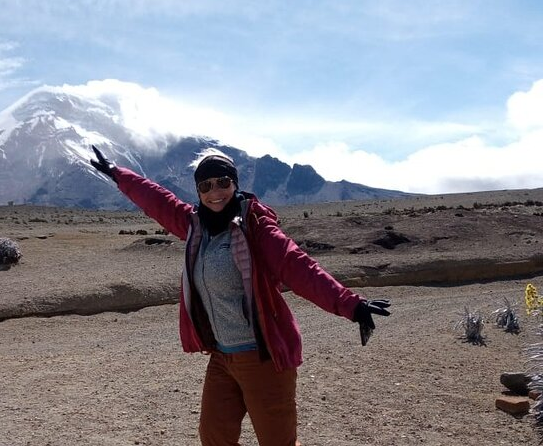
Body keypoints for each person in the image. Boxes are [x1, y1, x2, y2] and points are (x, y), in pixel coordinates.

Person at [89, 145, 390, 446]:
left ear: (235, 183)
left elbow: (300, 268)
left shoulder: (256, 226)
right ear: (198, 191)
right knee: (214, 437)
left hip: (262, 357)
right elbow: (158, 201)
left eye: (223, 182)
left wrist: (353, 306)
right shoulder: (195, 225)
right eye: (205, 186)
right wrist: (118, 174)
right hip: (221, 356)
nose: (215, 191)